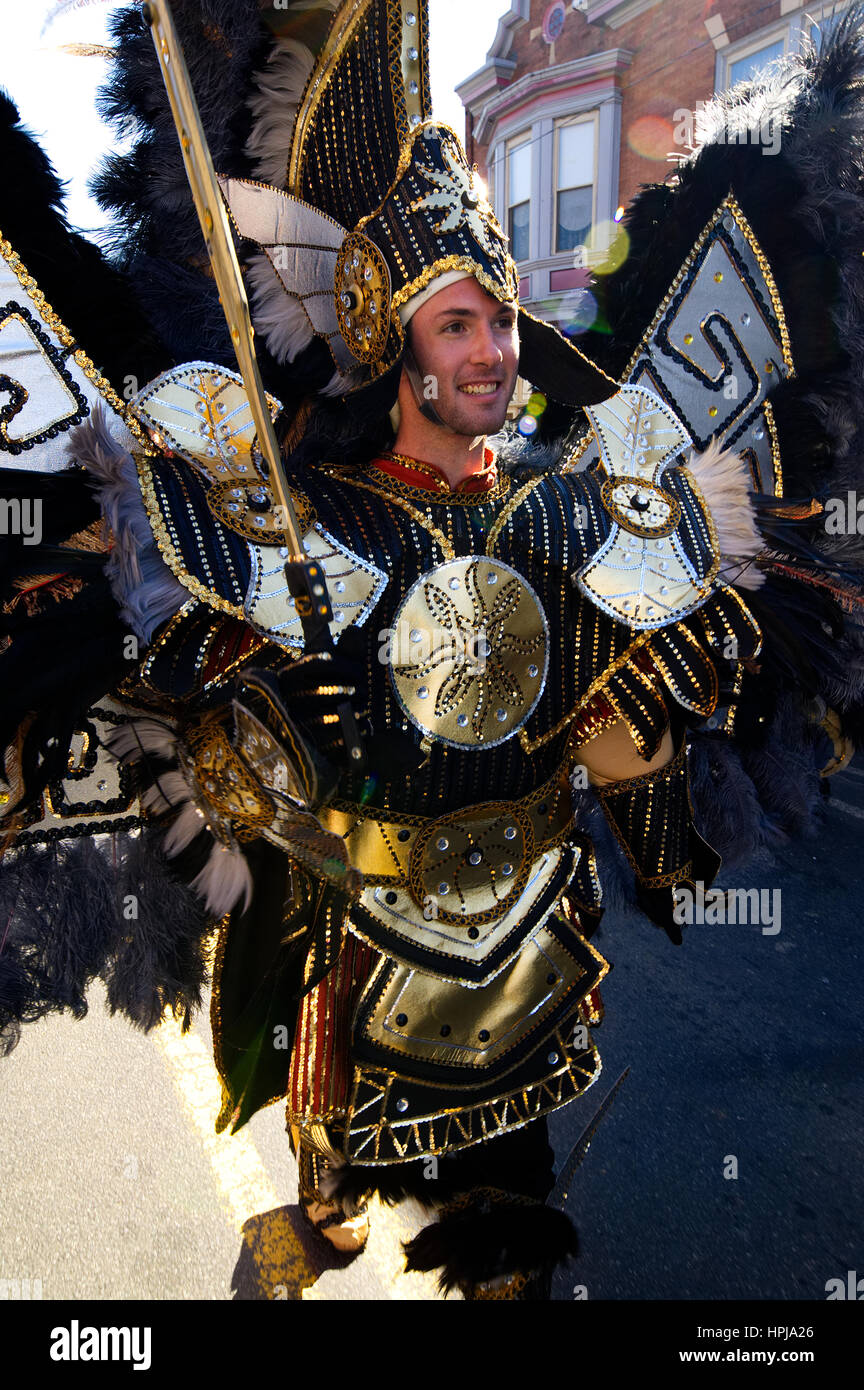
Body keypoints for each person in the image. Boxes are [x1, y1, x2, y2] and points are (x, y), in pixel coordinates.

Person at [2, 0, 863, 1303]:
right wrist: (254, 721)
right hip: (363, 944)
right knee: (334, 1169)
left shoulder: (569, 511)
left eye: (503, 323)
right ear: (399, 349)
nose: (493, 351)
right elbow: (214, 711)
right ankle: (323, 1196)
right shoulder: (316, 524)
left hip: (530, 950)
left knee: (507, 1233)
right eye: (457, 326)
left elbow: (644, 775)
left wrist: (645, 737)